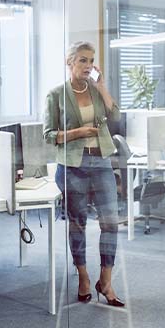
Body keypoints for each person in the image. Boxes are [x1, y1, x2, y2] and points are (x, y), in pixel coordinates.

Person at [43, 41, 124, 307]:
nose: (88, 66)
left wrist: (102, 87)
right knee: (78, 223)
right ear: (70, 63)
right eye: (82, 61)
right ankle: (83, 276)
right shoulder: (56, 94)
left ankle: (106, 280)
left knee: (110, 222)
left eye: (91, 61)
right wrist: (77, 133)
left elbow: (116, 120)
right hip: (73, 165)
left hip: (100, 161)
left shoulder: (95, 90)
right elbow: (48, 136)